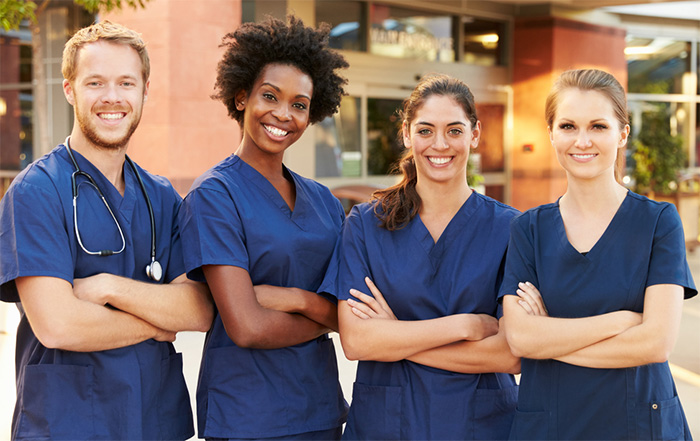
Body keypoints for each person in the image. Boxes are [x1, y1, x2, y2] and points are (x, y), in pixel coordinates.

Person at [0, 21, 214, 441]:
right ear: (69, 89)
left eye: (126, 83)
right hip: (68, 422)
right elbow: (59, 325)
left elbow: (199, 309)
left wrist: (108, 288)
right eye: (95, 82)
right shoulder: (36, 191)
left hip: (154, 421)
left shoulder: (161, 196)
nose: (112, 97)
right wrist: (156, 323)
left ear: (144, 91)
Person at [319, 73, 521, 440]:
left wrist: (394, 337)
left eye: (454, 130)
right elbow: (357, 342)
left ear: (475, 134)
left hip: (480, 426)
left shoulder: (510, 230)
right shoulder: (366, 225)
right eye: (425, 130)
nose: (439, 144)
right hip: (388, 425)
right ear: (407, 134)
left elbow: (511, 353)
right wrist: (464, 326)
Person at [499, 68, 697, 440]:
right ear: (551, 134)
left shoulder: (658, 223)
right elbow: (521, 339)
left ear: (622, 134)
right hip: (552, 423)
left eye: (598, 126)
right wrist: (622, 321)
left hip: (638, 422)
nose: (582, 140)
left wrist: (550, 341)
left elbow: (656, 343)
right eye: (568, 126)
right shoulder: (528, 230)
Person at [177, 16, 349, 440]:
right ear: (241, 98)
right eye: (269, 96)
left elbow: (348, 314)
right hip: (247, 415)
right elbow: (247, 327)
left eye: (299, 104)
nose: (282, 114)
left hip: (321, 411)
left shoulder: (324, 201)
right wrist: (326, 317)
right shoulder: (215, 195)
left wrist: (296, 299)